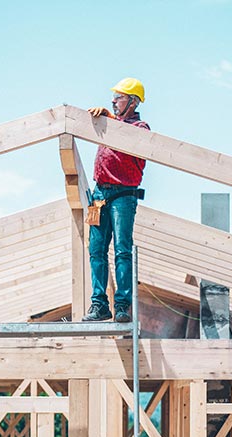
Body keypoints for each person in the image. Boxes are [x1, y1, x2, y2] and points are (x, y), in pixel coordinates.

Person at [81, 77, 150, 324]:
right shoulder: (110, 124)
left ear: (132, 102)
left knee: (122, 250)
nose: (113, 101)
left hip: (123, 196)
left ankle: (123, 306)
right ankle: (99, 304)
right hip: (100, 195)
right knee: (95, 249)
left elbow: (132, 139)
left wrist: (111, 120)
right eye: (114, 97)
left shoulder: (140, 128)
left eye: (119, 97)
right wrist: (104, 120)